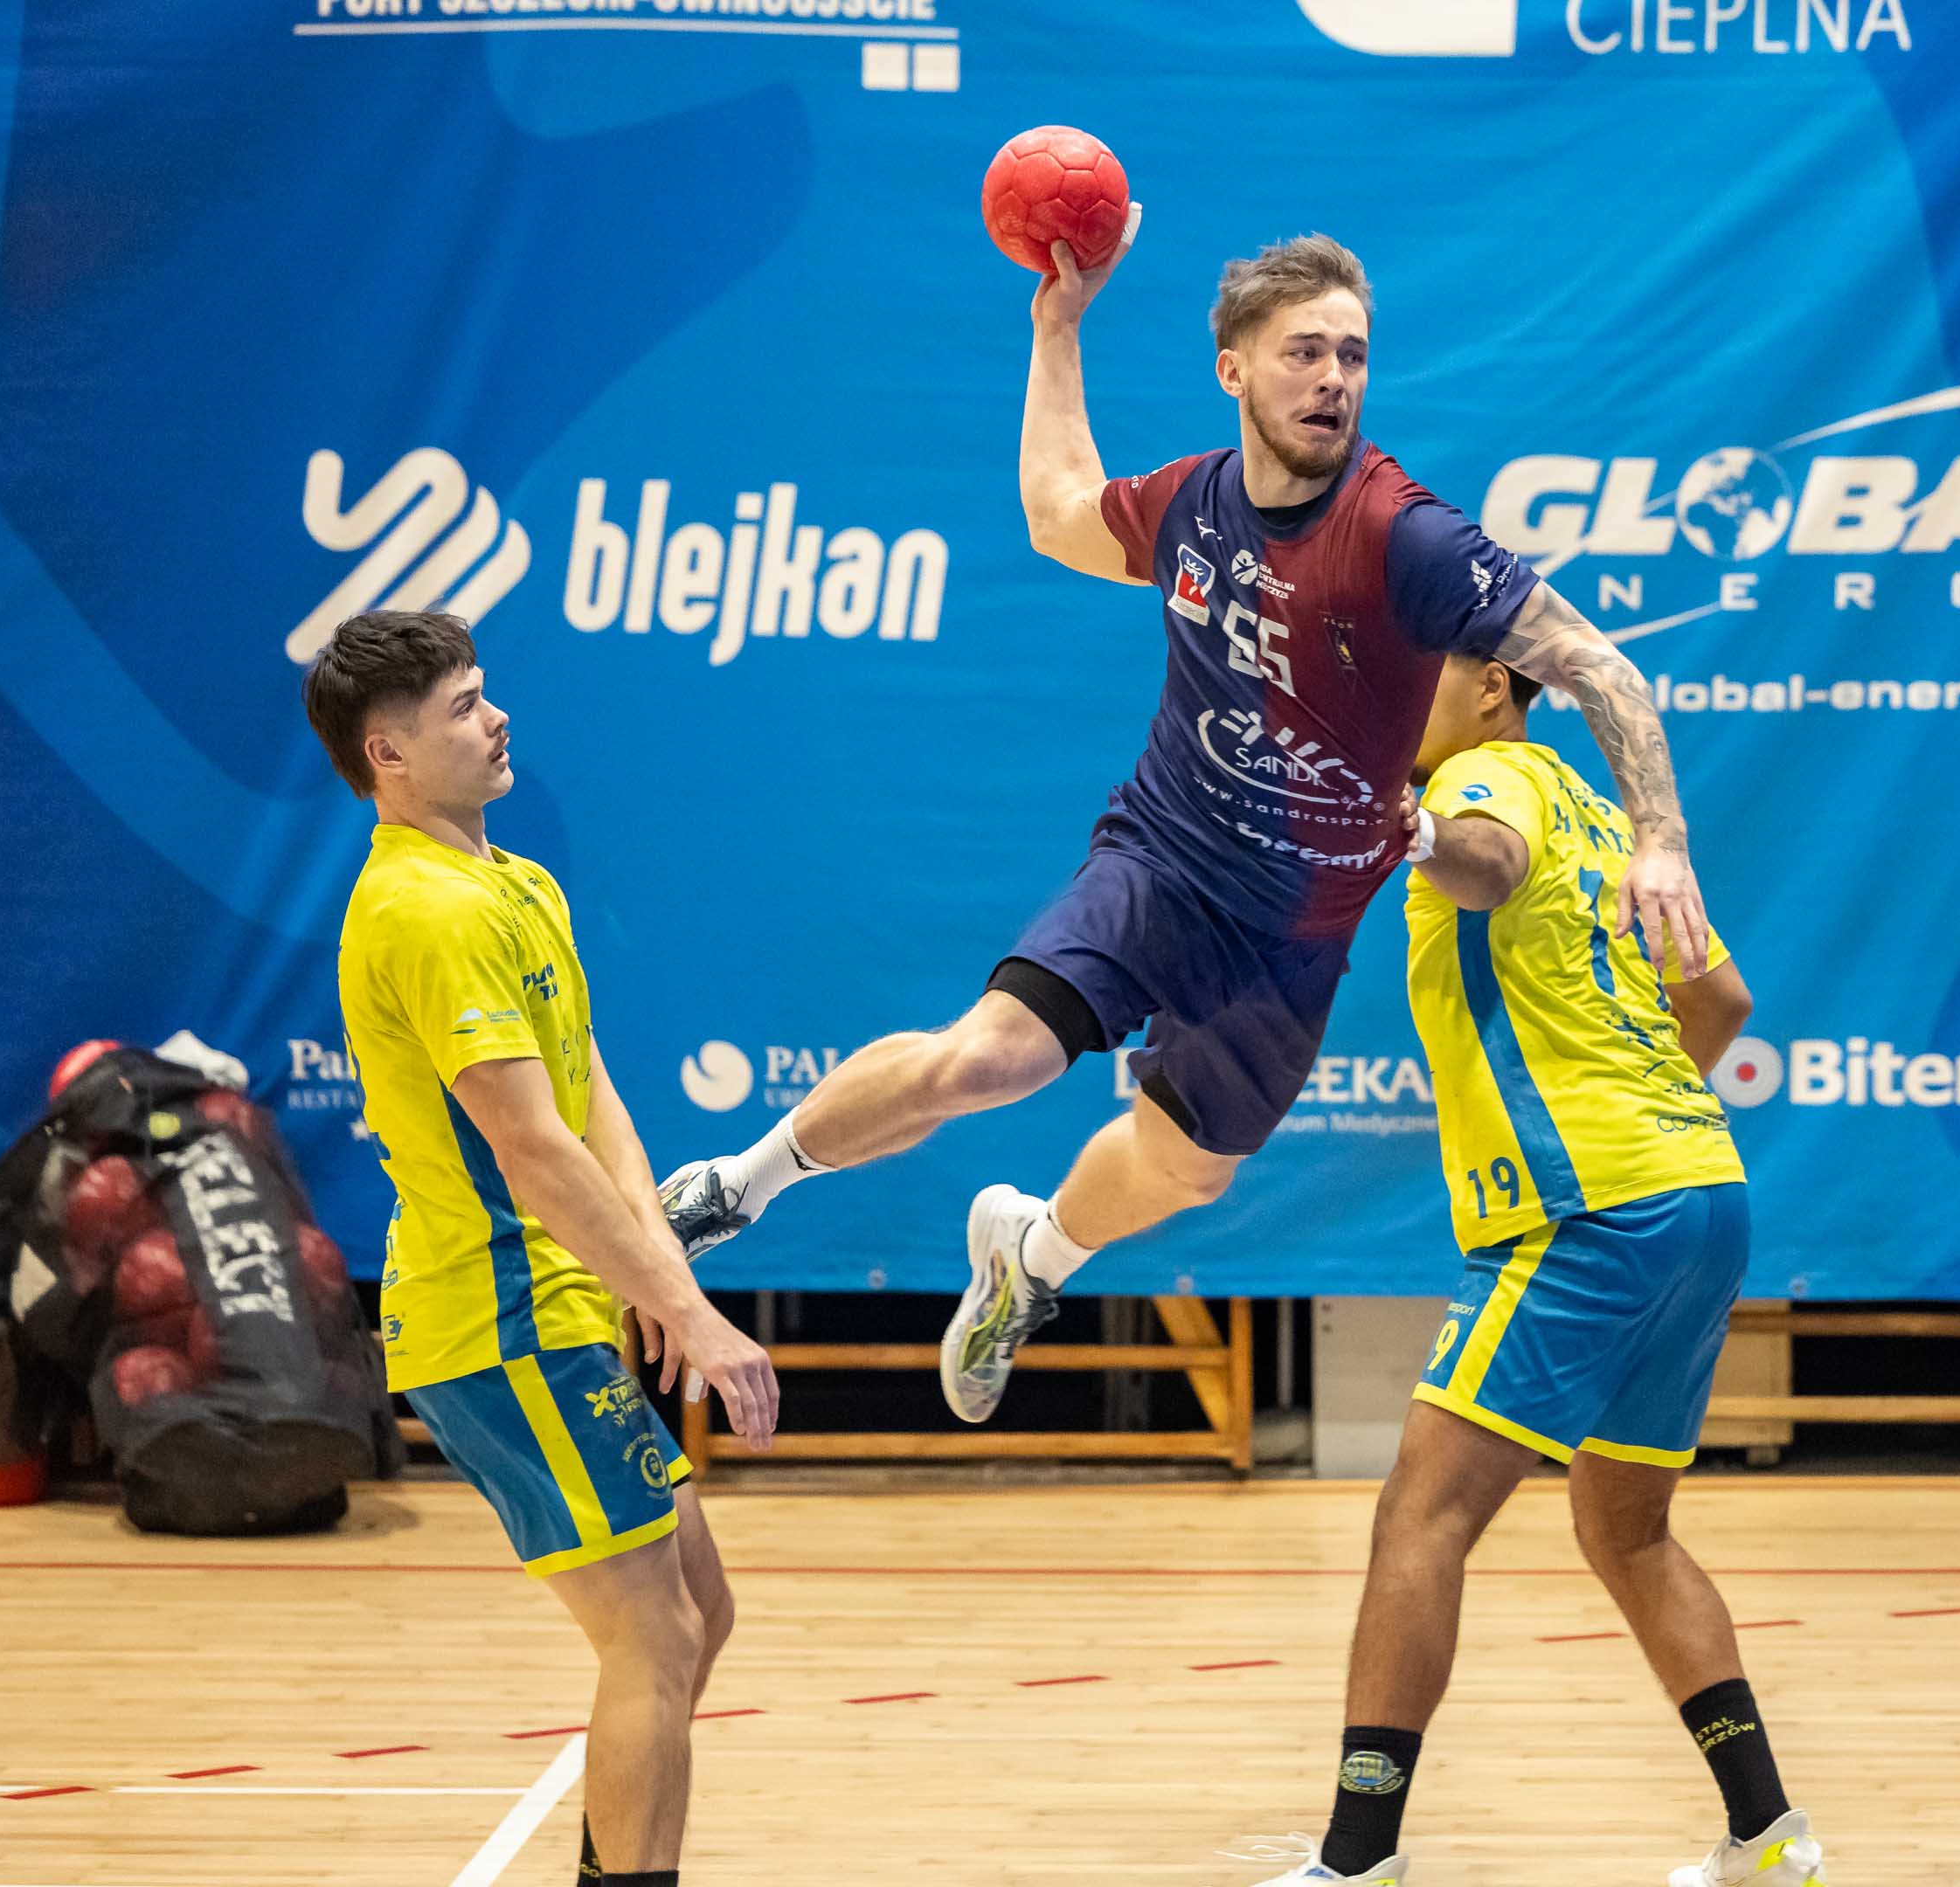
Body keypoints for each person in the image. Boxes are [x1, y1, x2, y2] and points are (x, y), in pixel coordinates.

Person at [657, 218, 1714, 1427]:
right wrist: (1058, 329)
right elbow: (1058, 512)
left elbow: (1597, 665)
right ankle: (733, 1186)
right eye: (1304, 352)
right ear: (1234, 369)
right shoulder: (1192, 507)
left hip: (1293, 936)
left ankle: (1029, 1260)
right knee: (991, 1060)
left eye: (1353, 356)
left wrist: (1663, 839)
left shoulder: (1403, 536)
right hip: (1162, 864)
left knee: (1185, 1172)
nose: (1333, 379)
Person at [1227, 657, 1823, 1887]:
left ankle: (1356, 1859)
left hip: (1588, 1211)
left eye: (1421, 667)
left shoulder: (1483, 782)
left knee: (1421, 1515)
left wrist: (1421, 830)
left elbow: (1486, 863)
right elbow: (1721, 997)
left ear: (1497, 685)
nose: (1394, 690)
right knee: (1627, 1530)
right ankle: (1768, 1837)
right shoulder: (1605, 815)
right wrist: (1641, 1114)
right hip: (1699, 1189)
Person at [307, 610, 781, 1887]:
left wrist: (654, 1271)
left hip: (564, 1300)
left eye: (484, 691)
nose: (497, 716)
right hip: (498, 1317)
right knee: (656, 1633)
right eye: (462, 706)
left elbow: (590, 1097)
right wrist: (692, 1314)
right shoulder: (421, 910)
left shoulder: (517, 885)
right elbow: (530, 1151)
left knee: (698, 1614)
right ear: (387, 754)